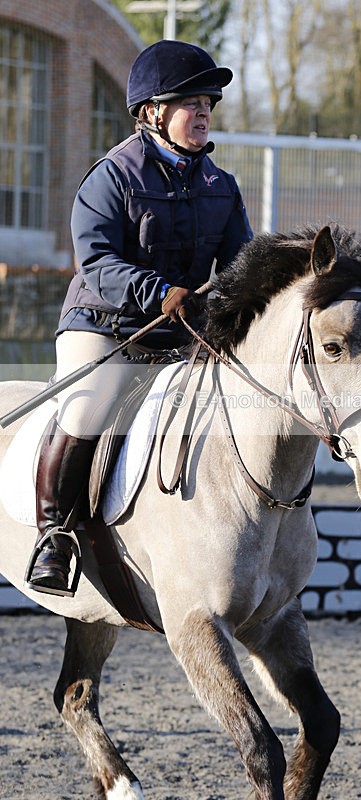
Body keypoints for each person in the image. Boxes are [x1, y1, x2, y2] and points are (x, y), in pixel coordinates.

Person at [25, 40, 253, 596]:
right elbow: (97, 262)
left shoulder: (221, 186)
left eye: (208, 102)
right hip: (104, 325)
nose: (203, 111)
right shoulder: (111, 176)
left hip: (182, 331)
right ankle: (54, 535)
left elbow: (242, 267)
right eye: (190, 102)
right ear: (153, 112)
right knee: (88, 405)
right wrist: (159, 293)